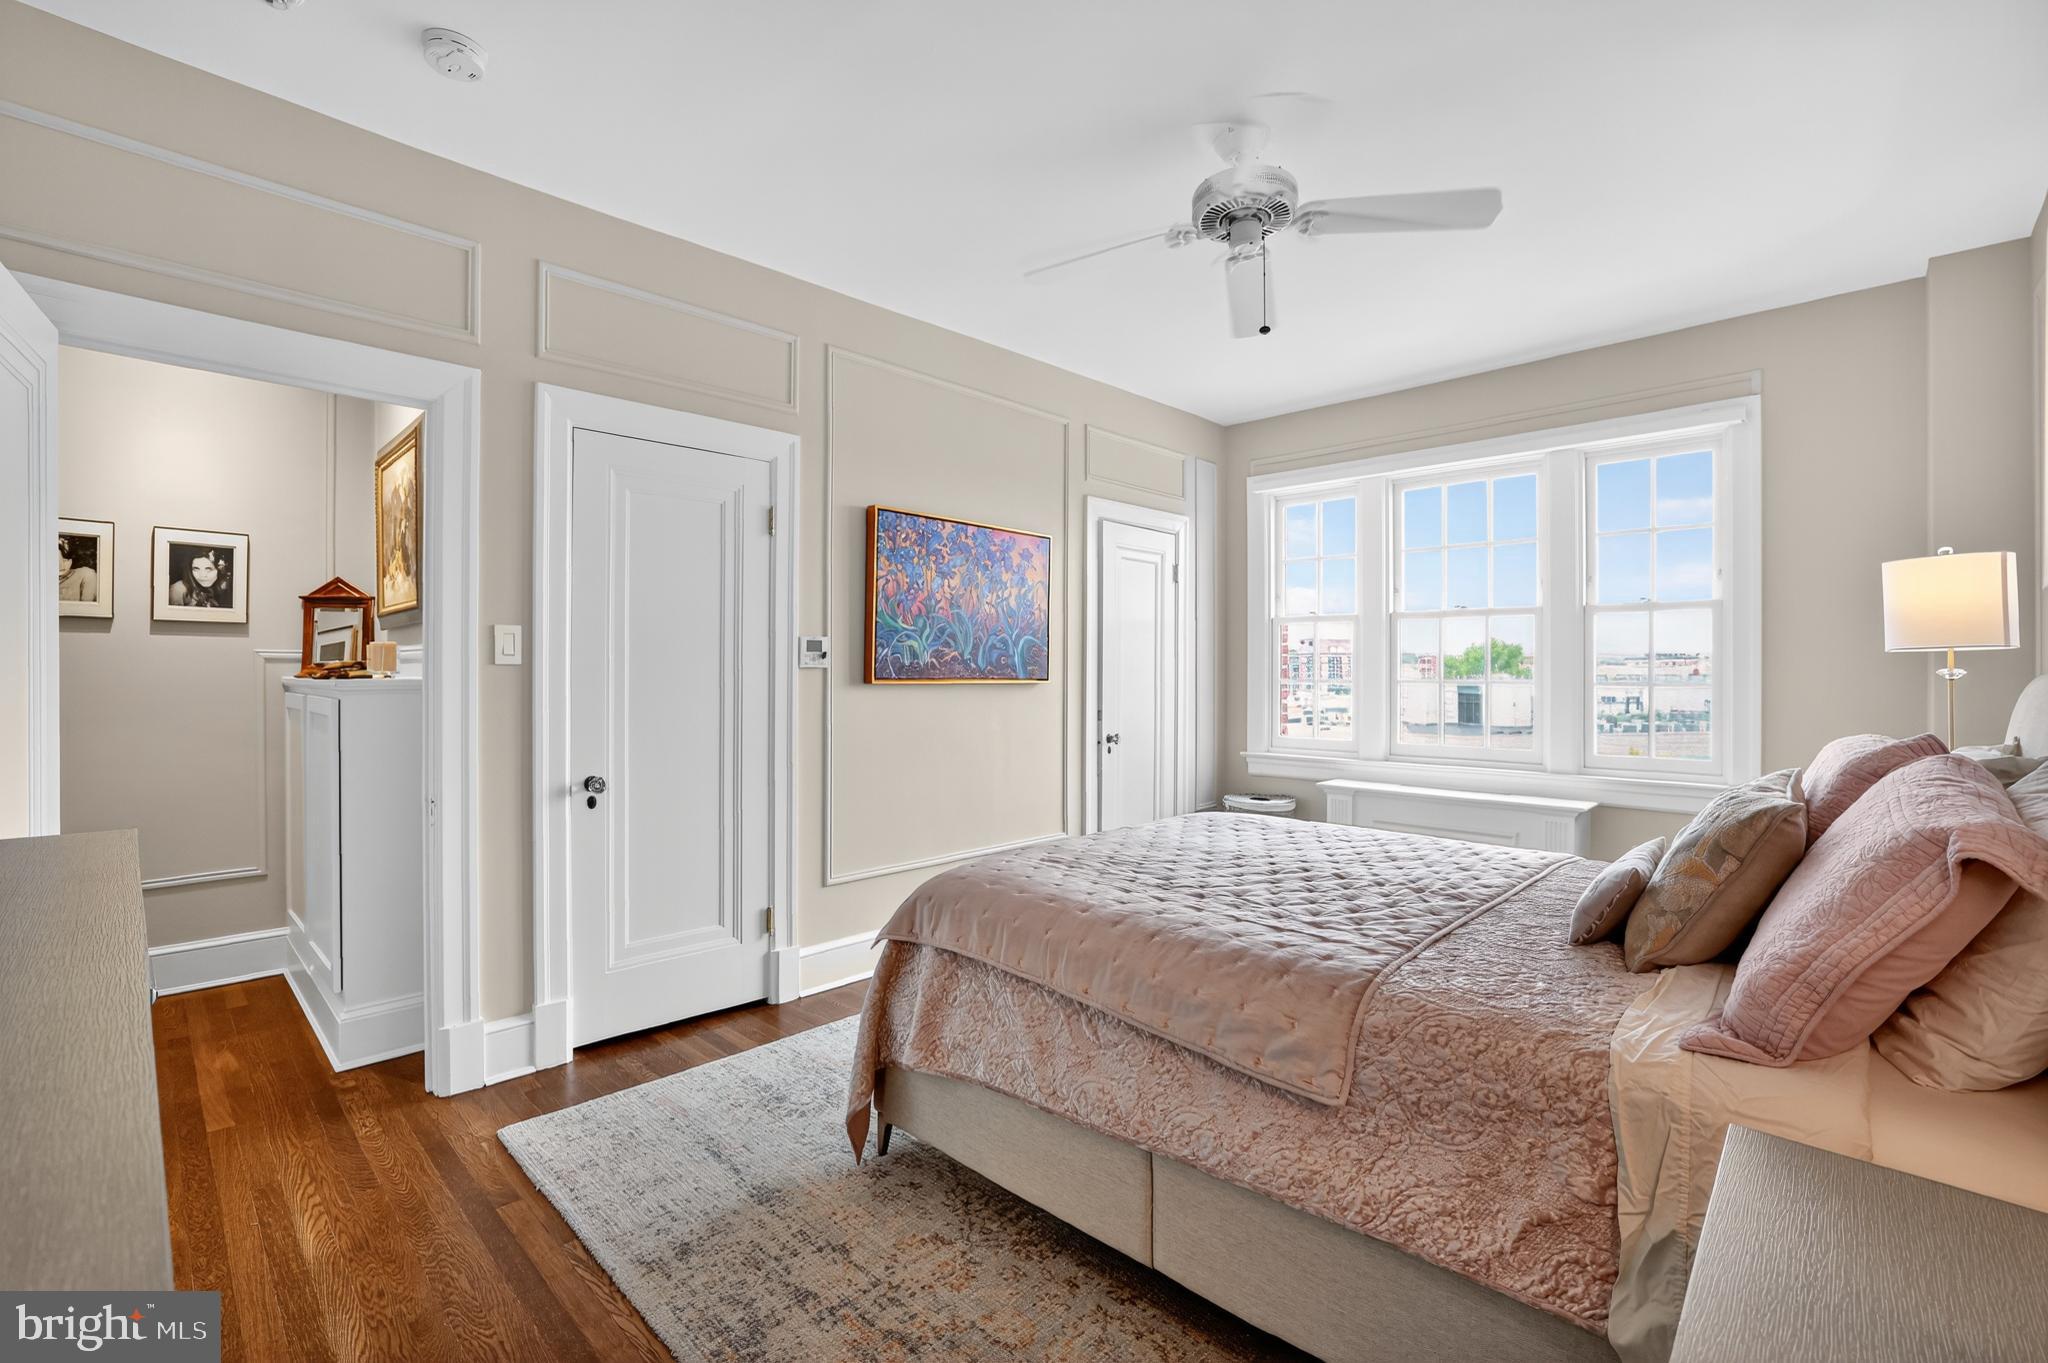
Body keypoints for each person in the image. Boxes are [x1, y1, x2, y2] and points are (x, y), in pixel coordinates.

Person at [57, 534, 99, 603]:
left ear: (70, 560)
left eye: (64, 560)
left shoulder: (85, 574)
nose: (61, 566)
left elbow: (87, 609)